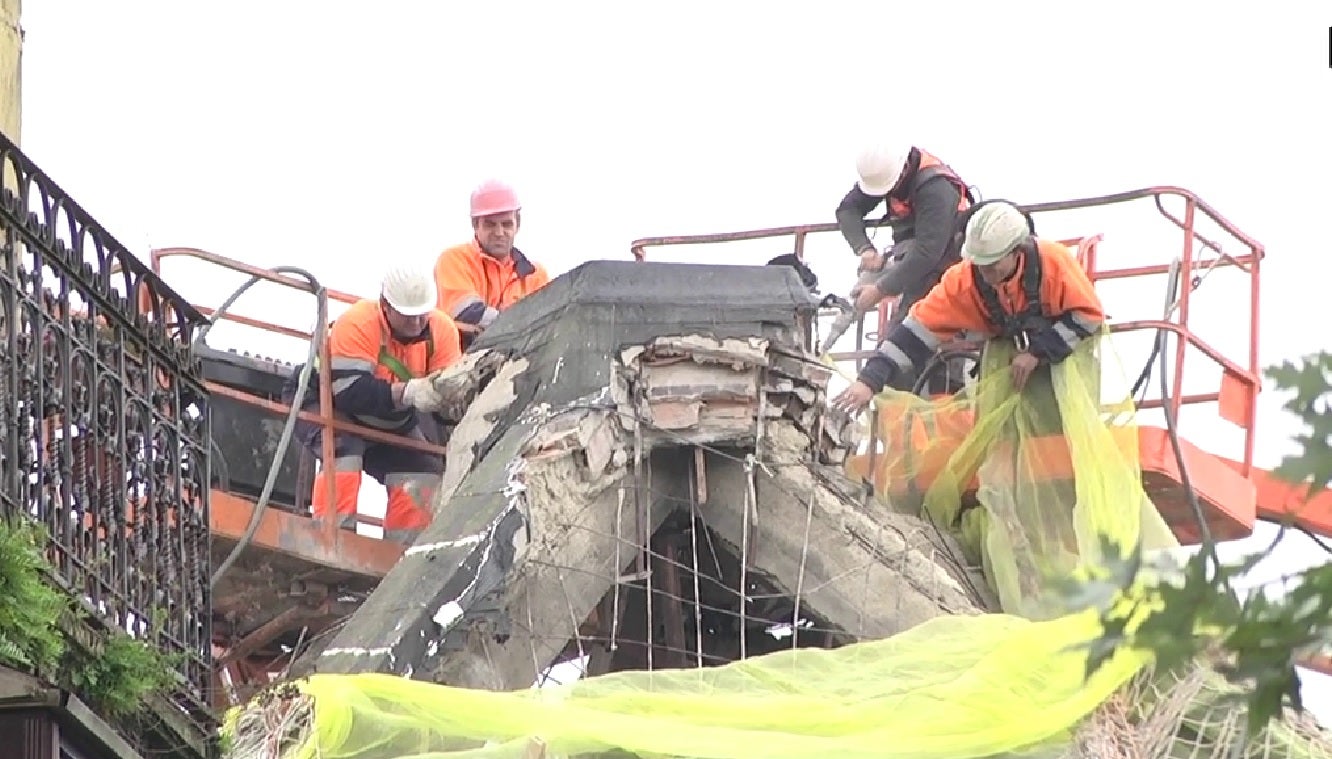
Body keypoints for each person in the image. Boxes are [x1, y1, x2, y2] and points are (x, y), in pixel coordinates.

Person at [831, 201, 1104, 414]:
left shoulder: (1053, 263)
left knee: (1056, 437)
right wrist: (869, 381)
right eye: (979, 264)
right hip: (1008, 365)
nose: (985, 273)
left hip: (1066, 362)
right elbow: (914, 333)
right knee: (1004, 445)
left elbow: (1088, 315)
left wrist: (1038, 351)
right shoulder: (962, 281)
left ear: (1016, 251)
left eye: (992, 264)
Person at [286, 264, 463, 545]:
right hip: (326, 403)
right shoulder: (358, 322)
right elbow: (349, 392)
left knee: (422, 473)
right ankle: (331, 541)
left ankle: (402, 560)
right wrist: (406, 393)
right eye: (407, 316)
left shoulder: (442, 331)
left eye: (421, 315)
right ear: (386, 306)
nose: (416, 323)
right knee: (344, 454)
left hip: (392, 420)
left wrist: (444, 400)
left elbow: (449, 401)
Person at [835, 143, 974, 328]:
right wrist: (864, 248)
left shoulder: (936, 188)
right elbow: (848, 209)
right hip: (907, 256)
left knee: (905, 329)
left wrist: (880, 289)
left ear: (902, 171)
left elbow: (927, 253)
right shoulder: (886, 173)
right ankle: (821, 349)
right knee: (853, 301)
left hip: (945, 261)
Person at [434, 179, 551, 345]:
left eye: (506, 224)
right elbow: (466, 312)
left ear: (518, 224)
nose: (499, 232)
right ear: (475, 224)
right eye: (490, 224)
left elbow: (548, 322)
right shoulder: (454, 260)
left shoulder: (535, 274)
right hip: (463, 361)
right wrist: (522, 326)